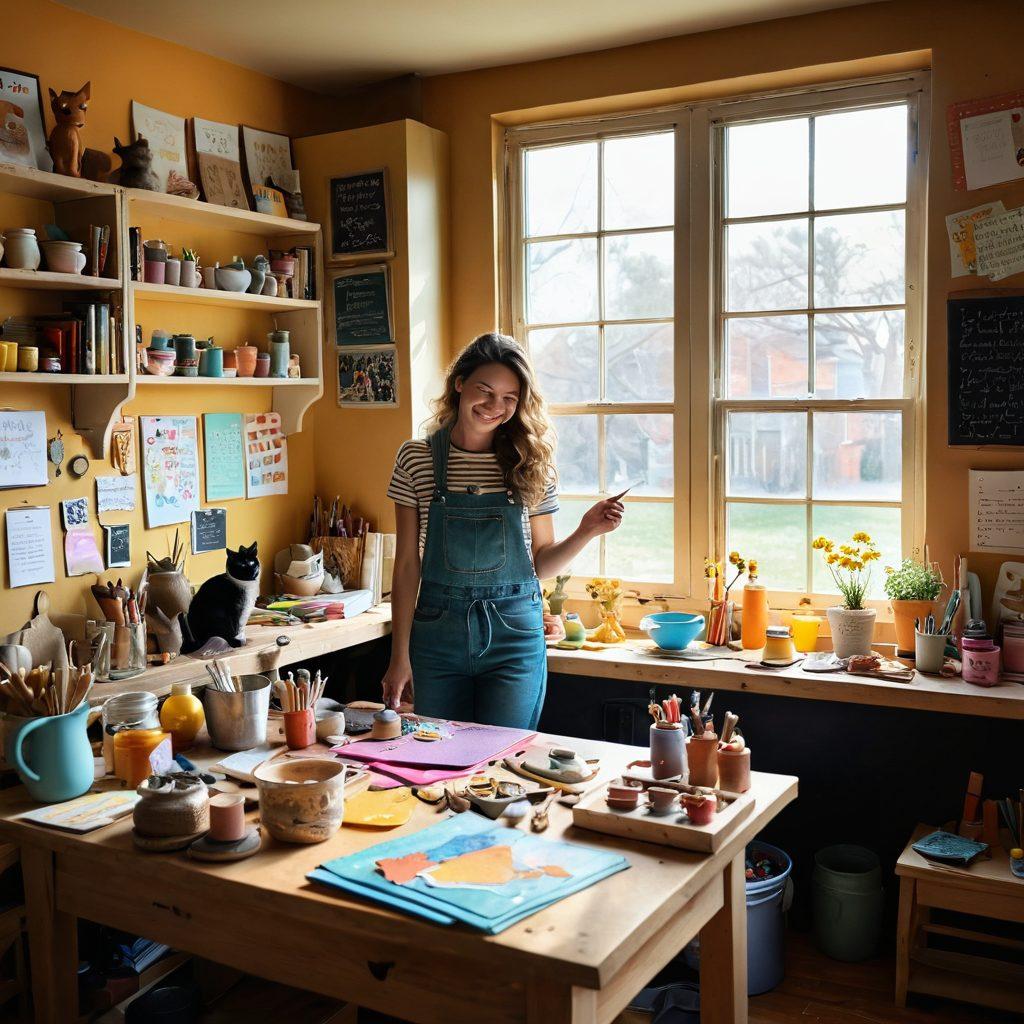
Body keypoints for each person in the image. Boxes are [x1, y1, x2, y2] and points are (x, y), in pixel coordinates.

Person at [382, 332, 625, 729]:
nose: (496, 406)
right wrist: (399, 656)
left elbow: (541, 566)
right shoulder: (416, 458)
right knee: (436, 758)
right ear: (459, 384)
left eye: (510, 398)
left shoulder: (530, 464)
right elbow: (408, 565)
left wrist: (587, 530)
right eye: (485, 391)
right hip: (437, 636)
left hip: (515, 638)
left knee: (504, 761)